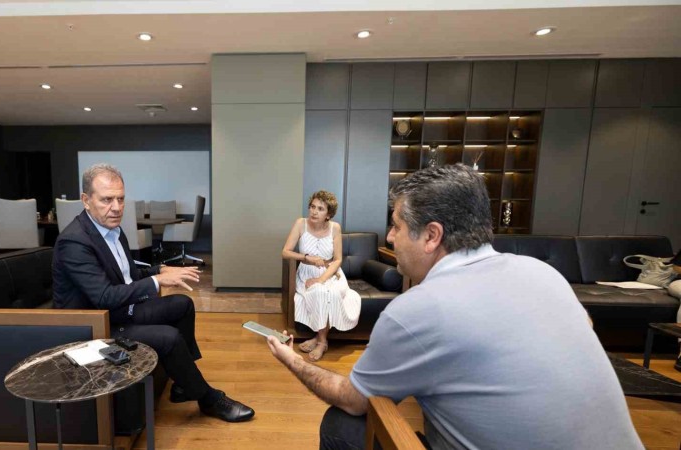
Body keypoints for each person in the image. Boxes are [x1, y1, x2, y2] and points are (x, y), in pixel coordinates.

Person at [267, 164, 642, 449]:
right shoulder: (544, 274)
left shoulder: (416, 310)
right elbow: (585, 324)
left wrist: (291, 360)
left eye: (397, 226)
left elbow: (354, 400)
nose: (391, 237)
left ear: (432, 235)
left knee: (342, 425)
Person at [53, 163, 254, 423]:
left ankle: (183, 384)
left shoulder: (113, 230)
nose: (116, 207)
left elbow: (127, 276)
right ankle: (208, 399)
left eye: (120, 199)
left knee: (183, 304)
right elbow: (103, 297)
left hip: (118, 311)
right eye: (106, 200)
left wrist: (159, 269)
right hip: (96, 324)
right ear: (86, 200)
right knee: (169, 337)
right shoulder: (75, 241)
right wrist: (157, 280)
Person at [281, 190, 361, 361]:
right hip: (307, 272)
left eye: (320, 209)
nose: (314, 212)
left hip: (330, 272)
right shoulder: (300, 224)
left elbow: (338, 259)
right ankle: (322, 341)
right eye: (312, 207)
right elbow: (285, 252)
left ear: (328, 214)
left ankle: (319, 340)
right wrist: (306, 257)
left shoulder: (335, 228)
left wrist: (320, 279)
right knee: (319, 292)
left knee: (330, 292)